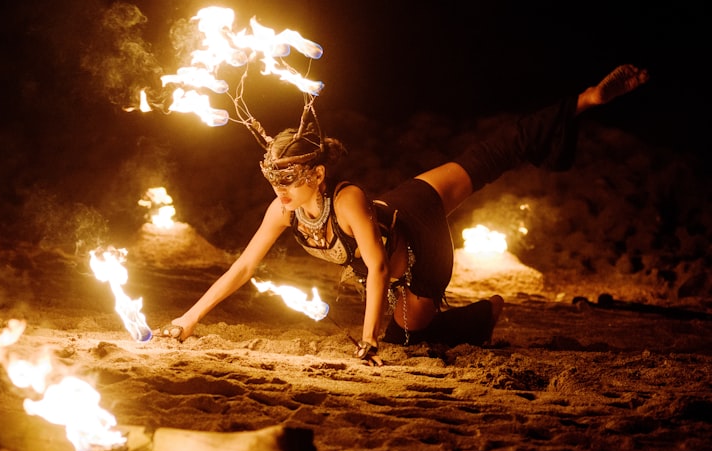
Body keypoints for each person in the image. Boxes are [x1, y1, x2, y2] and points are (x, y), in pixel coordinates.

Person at [159, 64, 649, 362]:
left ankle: (586, 99)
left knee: (409, 331)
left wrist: (367, 341)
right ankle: (480, 315)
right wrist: (188, 319)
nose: (280, 190)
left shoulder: (346, 199)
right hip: (396, 216)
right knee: (404, 332)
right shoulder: (283, 209)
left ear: (317, 175)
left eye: (289, 180)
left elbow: (373, 266)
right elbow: (243, 267)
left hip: (417, 238)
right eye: (275, 181)